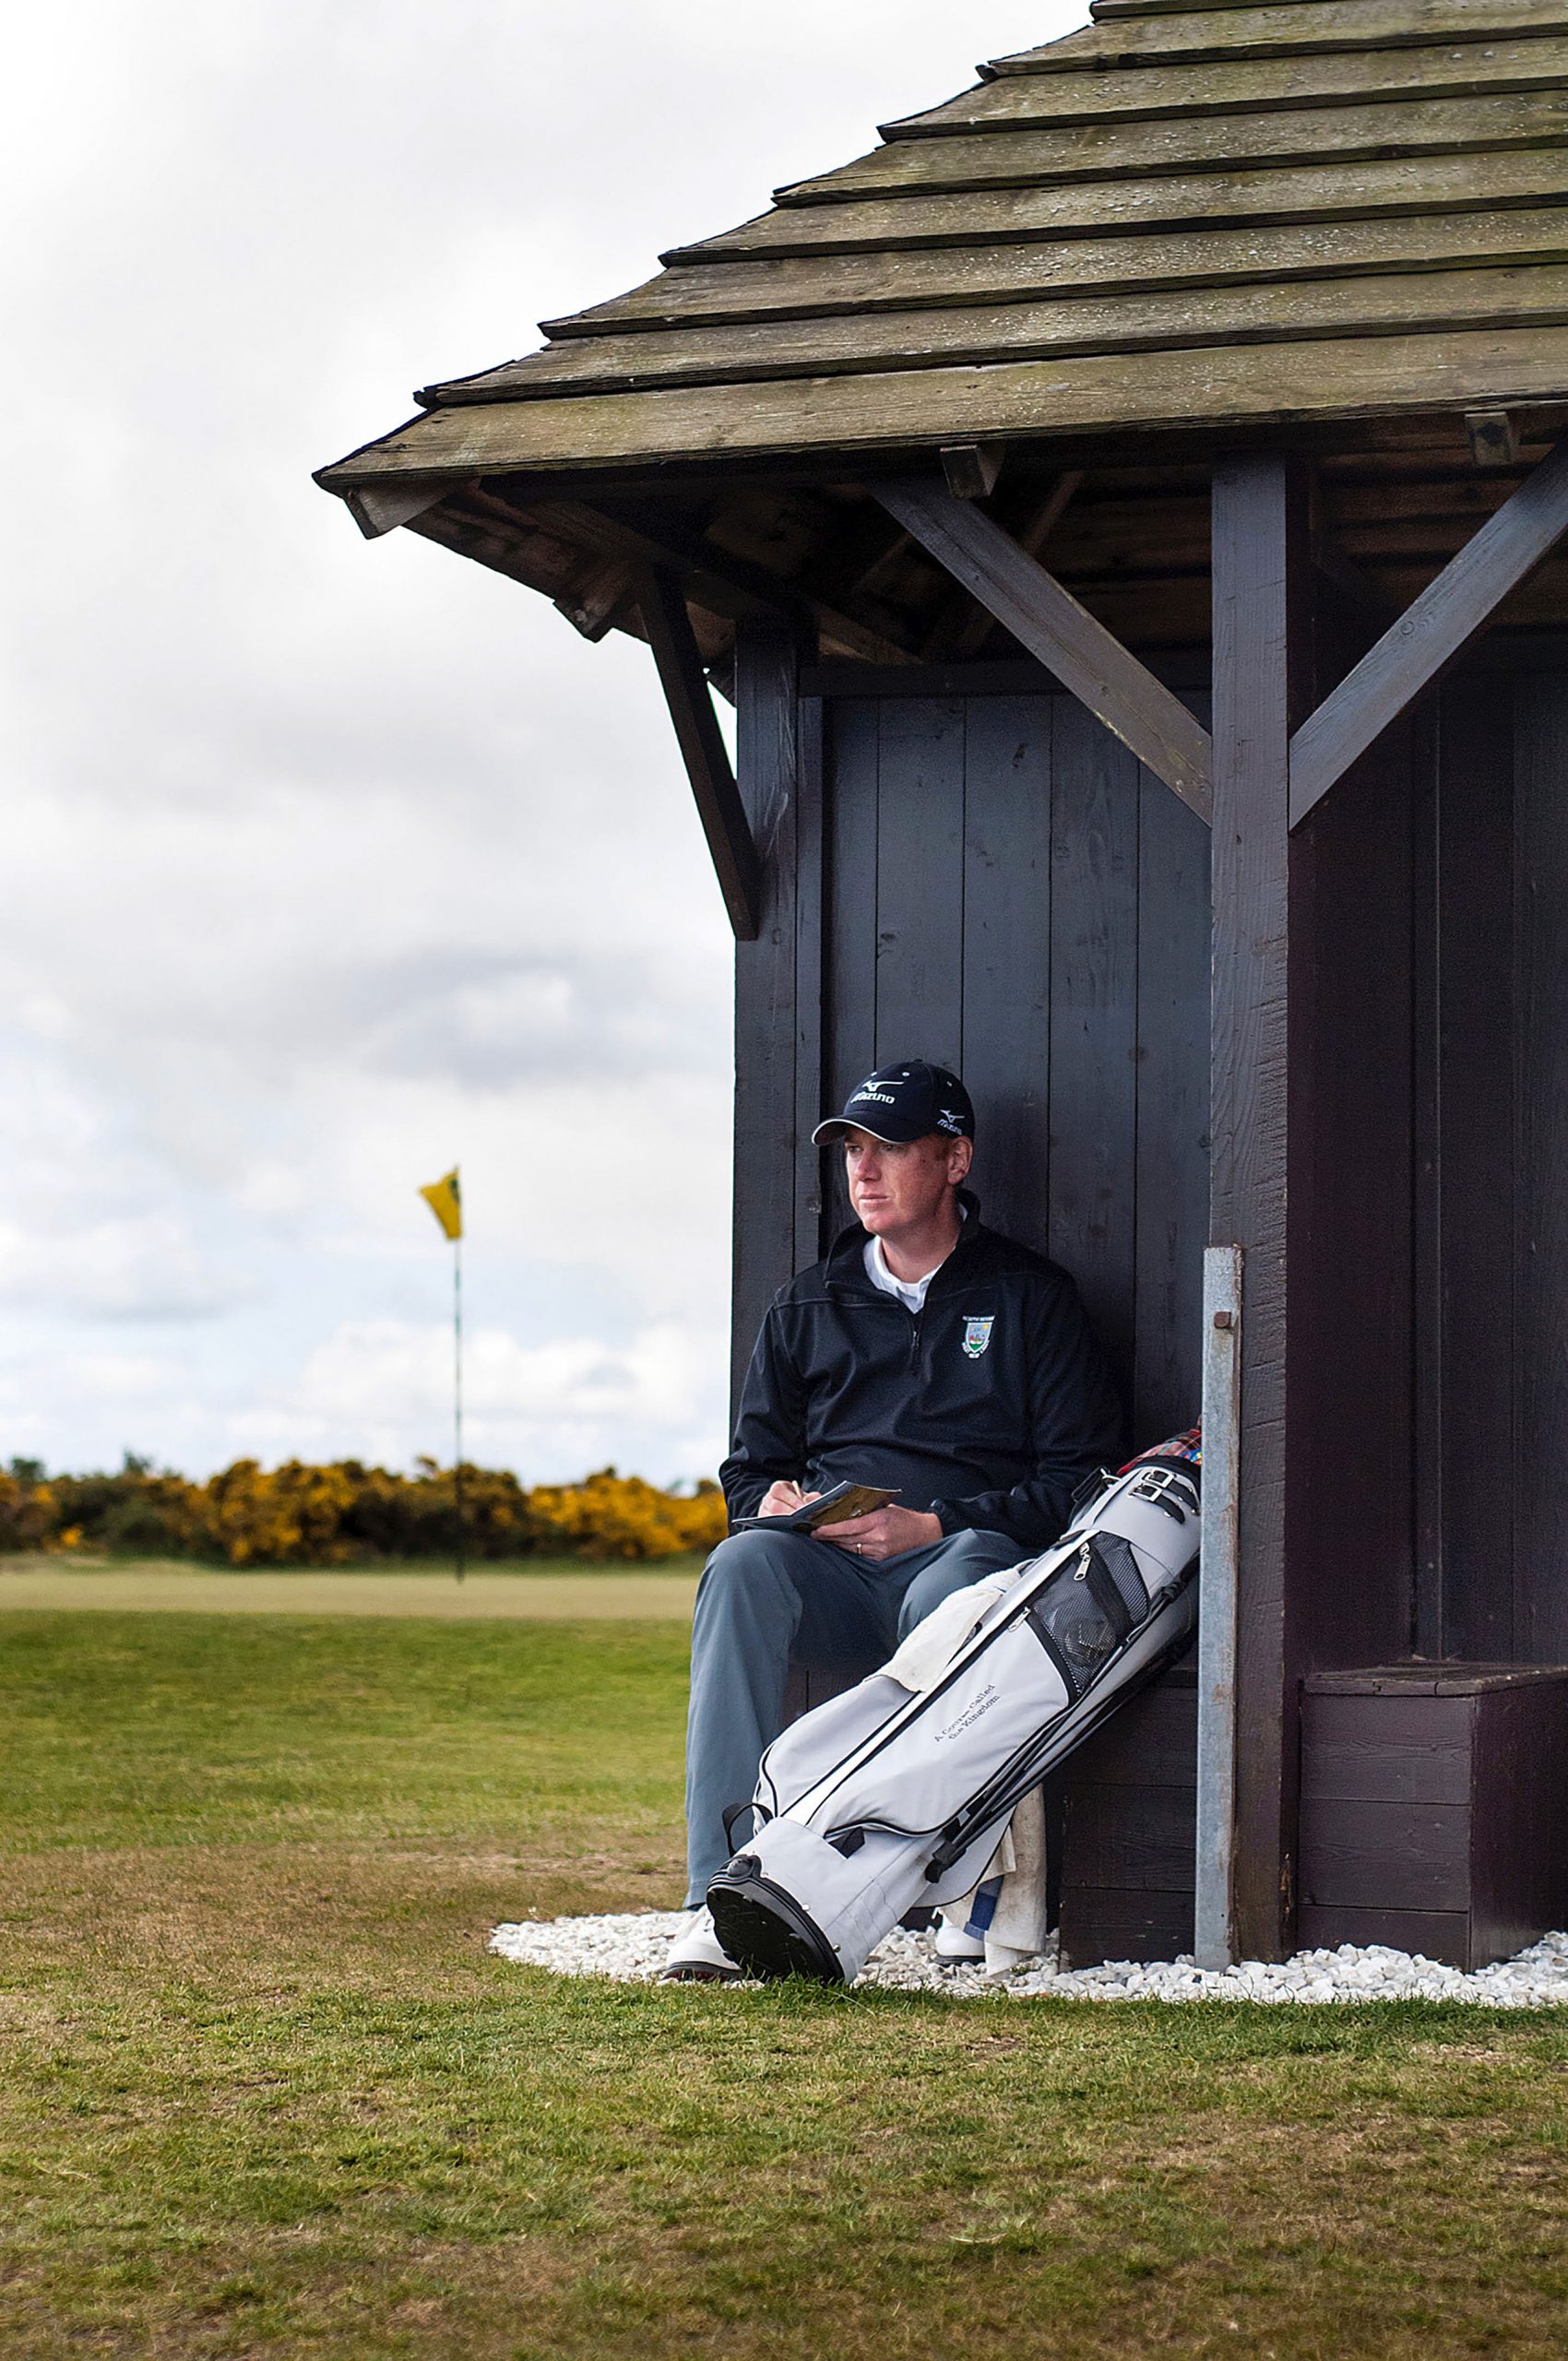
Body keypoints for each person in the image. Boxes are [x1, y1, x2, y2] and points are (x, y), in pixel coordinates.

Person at [665, 1059, 1123, 1980]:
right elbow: (748, 1469)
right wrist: (774, 1507)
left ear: (953, 1160)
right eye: (851, 1152)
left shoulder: (1030, 1298)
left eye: (888, 1149)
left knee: (956, 1589)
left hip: (962, 1555)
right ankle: (715, 1896)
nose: (862, 1172)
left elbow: (1076, 1480)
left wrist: (938, 1521)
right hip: (830, 1569)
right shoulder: (807, 1302)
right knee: (741, 1566)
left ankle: (942, 1883)